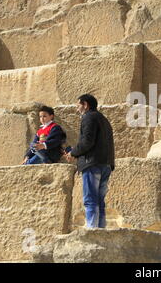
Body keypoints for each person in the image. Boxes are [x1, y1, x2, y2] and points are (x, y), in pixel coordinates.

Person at [66, 94, 115, 229]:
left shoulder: (88, 117)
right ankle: (101, 228)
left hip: (92, 163)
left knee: (90, 199)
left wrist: (73, 153)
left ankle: (92, 229)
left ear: (85, 105)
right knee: (100, 200)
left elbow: (87, 141)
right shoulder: (104, 119)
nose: (77, 109)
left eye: (78, 105)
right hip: (106, 164)